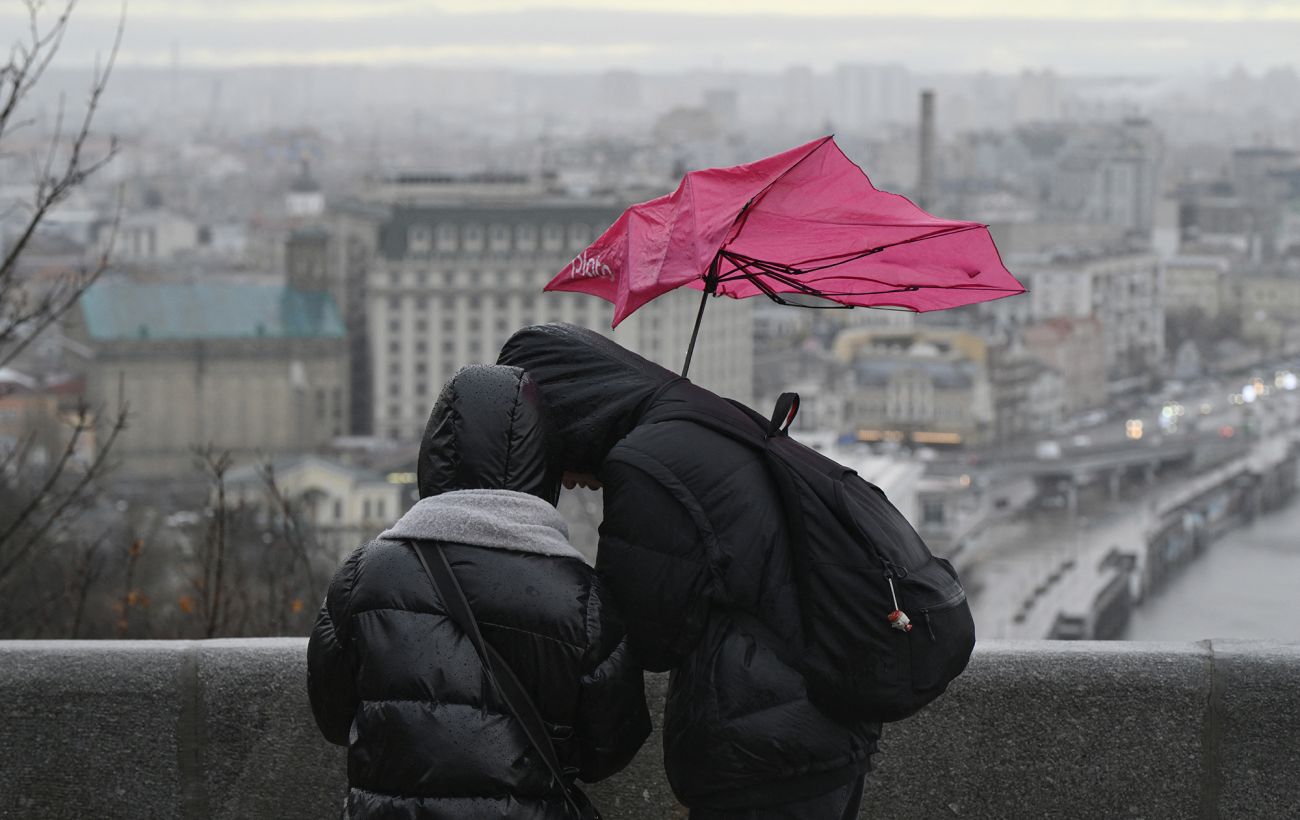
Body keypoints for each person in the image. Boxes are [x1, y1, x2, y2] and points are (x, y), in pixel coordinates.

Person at [499, 324, 878, 820]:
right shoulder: (701, 418)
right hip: (823, 728)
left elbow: (648, 638)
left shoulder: (644, 460)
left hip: (764, 753)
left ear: (565, 415)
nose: (566, 480)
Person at [307, 364, 651, 819]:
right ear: (544, 461)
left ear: (435, 452)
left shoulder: (363, 576)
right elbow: (610, 748)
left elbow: (333, 716)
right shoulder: (582, 599)